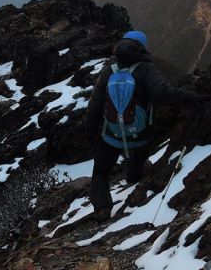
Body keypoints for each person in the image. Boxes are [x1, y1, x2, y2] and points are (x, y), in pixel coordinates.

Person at [84, 30, 204, 221]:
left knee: (100, 171)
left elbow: (95, 107)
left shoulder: (108, 72)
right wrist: (191, 97)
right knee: (137, 160)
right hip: (141, 135)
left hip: (111, 135)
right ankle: (133, 178)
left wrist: (91, 134)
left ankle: (102, 209)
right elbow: (163, 94)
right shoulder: (146, 70)